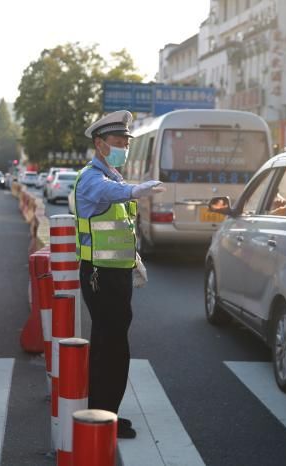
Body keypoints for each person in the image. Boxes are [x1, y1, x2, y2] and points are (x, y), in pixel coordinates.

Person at [74, 110, 164, 439]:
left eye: (126, 142)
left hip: (115, 273)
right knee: (110, 347)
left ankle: (106, 412)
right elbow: (110, 195)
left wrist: (134, 260)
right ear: (100, 144)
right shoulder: (93, 178)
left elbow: (121, 225)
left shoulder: (112, 175)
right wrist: (137, 190)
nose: (124, 147)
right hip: (101, 276)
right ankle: (102, 416)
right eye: (118, 142)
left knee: (111, 345)